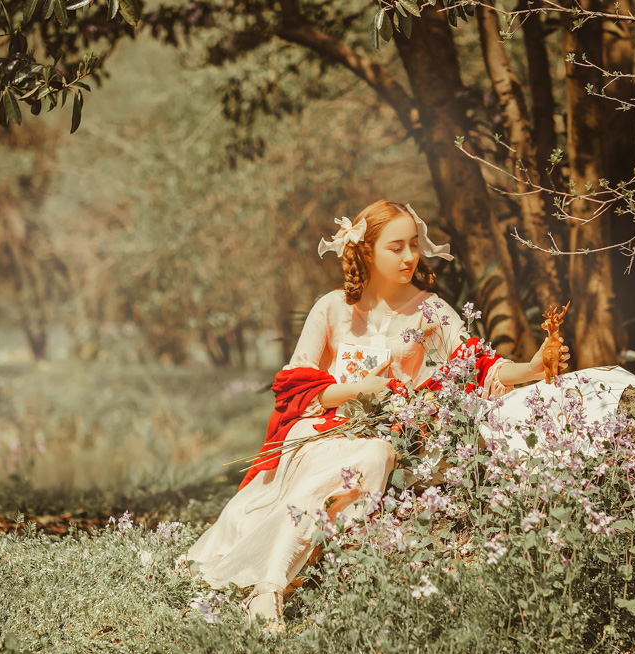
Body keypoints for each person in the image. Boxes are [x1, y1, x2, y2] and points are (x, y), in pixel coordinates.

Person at [183, 200, 571, 631]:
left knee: (373, 455)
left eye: (414, 245)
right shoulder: (332, 307)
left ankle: (269, 585)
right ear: (367, 250)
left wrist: (533, 367)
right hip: (320, 430)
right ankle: (268, 589)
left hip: (387, 438)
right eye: (396, 247)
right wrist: (357, 390)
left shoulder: (432, 310)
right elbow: (295, 388)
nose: (410, 257)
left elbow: (479, 367)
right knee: (351, 460)